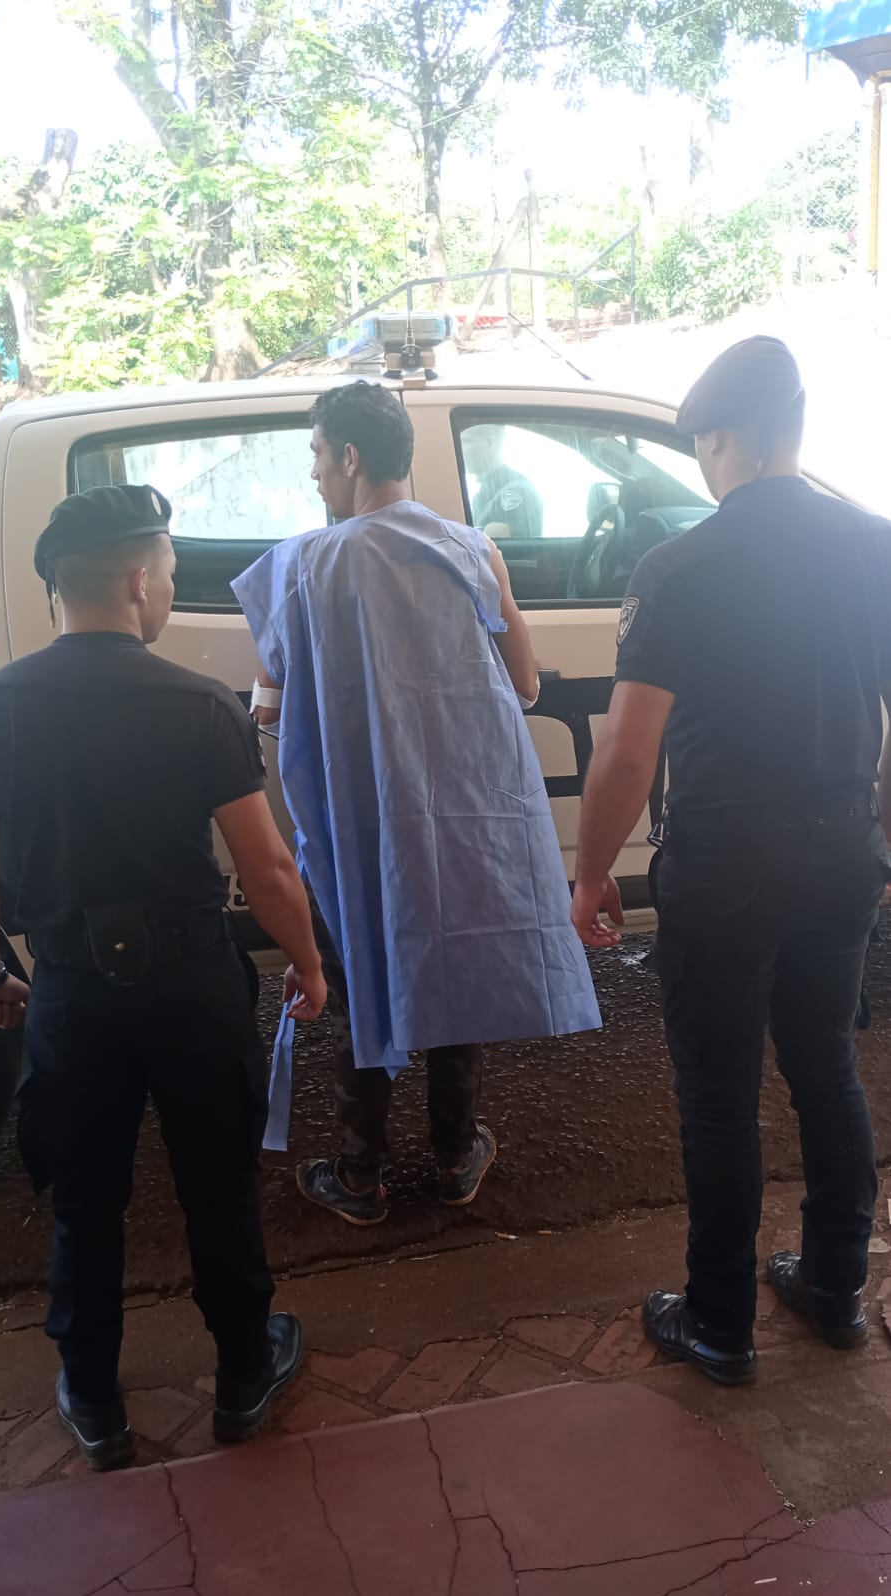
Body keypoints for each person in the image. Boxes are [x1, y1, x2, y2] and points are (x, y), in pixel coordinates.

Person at [571, 336, 891, 1386]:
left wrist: (591, 875)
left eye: (702, 446)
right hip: (842, 850)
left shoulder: (680, 567)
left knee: (718, 1096)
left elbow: (627, 753)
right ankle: (836, 1287)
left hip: (726, 867)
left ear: (724, 442)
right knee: (826, 1065)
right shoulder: (877, 545)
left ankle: (720, 1324)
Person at [0, 485, 327, 1470]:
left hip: (69, 987)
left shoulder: (0, 707)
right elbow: (267, 867)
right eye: (173, 574)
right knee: (217, 1181)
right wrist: (309, 963)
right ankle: (242, 1374)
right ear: (139, 580)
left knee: (84, 1195)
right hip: (190, 985)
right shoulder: (197, 703)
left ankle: (94, 1398)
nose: (171, 590)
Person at [234, 381, 602, 1226]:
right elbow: (524, 682)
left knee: (362, 974)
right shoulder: (473, 551)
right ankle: (454, 1156)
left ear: (350, 456)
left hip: (358, 825)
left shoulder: (303, 565)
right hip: (462, 819)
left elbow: (269, 711)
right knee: (454, 967)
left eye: (317, 455)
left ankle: (359, 1173)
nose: (314, 474)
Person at [462, 423, 544, 541]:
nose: (460, 448)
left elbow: (489, 543)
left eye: (466, 441)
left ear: (490, 442)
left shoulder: (516, 490)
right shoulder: (483, 494)